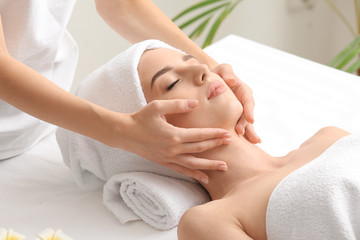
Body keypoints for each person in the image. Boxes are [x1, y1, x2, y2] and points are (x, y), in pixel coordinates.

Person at [0, 0, 260, 183]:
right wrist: (121, 132)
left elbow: (123, 5)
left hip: (40, 123)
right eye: (170, 84)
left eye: (192, 64)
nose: (201, 73)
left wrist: (214, 69)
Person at [137, 45, 359, 239]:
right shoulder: (210, 221)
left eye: (194, 61)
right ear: (152, 135)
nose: (203, 69)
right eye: (172, 83)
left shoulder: (330, 138)